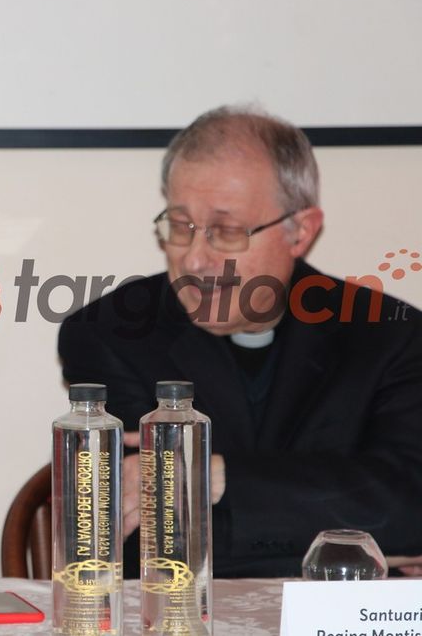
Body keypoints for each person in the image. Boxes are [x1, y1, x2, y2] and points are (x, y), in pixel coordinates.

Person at [59, 105, 422, 577]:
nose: (195, 259)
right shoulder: (110, 333)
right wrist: (360, 546)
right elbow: (144, 543)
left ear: (300, 231)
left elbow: (411, 509)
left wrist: (216, 477)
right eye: (180, 227)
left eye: (227, 232)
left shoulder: (390, 336)